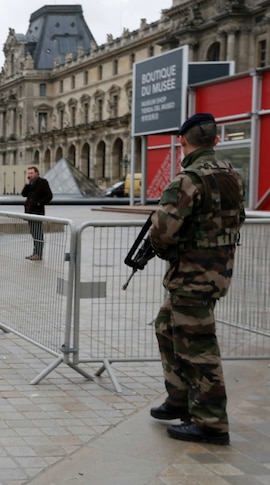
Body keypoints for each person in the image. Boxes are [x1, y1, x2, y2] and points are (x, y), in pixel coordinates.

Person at [148, 113, 246, 446]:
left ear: (182, 141)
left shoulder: (188, 180)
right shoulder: (234, 175)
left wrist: (170, 249)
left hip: (192, 275)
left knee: (199, 347)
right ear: (216, 140)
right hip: (216, 270)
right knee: (166, 325)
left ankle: (211, 423)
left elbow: (161, 233)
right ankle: (180, 398)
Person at [20, 166, 53, 260]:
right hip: (29, 212)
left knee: (38, 233)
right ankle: (35, 252)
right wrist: (27, 184)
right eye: (28, 173)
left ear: (36, 173)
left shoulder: (42, 182)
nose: (29, 175)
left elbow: (49, 196)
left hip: (37, 212)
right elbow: (23, 194)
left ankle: (38, 254)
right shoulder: (30, 183)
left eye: (31, 173)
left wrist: (39, 203)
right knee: (33, 233)